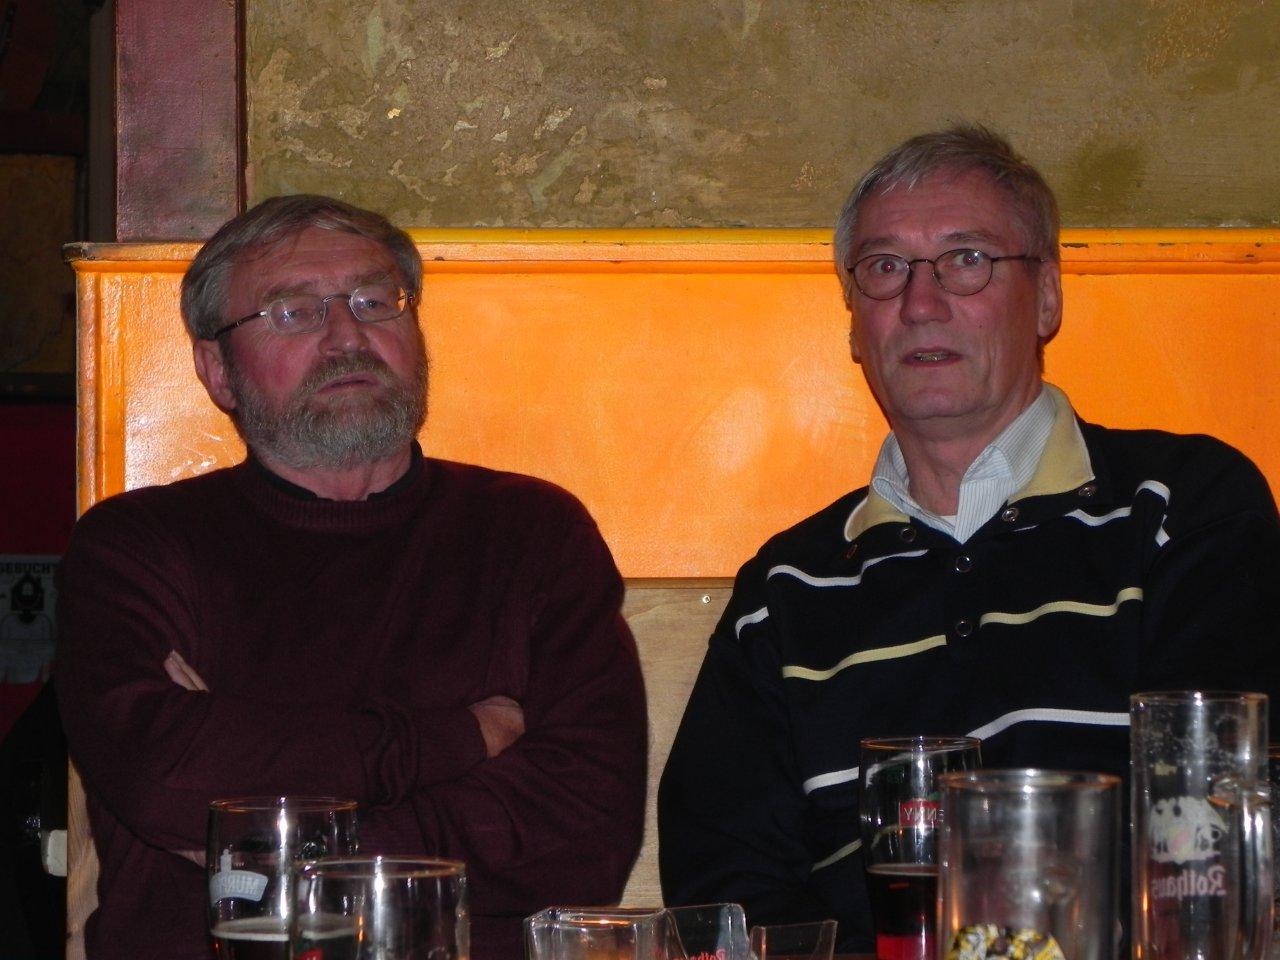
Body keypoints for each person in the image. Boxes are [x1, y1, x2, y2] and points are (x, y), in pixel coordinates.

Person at [658, 125, 1280, 949]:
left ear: (1047, 297)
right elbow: (728, 898)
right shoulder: (786, 590)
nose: (921, 303)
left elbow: (1217, 824)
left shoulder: (1180, 509)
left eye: (967, 259)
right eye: (885, 268)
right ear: (854, 324)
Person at [56, 195, 648, 960]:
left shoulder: (532, 532)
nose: (347, 336)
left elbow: (584, 833)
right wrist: (463, 737)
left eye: (374, 302)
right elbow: (163, 775)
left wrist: (269, 852)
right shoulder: (136, 547)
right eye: (293, 313)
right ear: (218, 371)